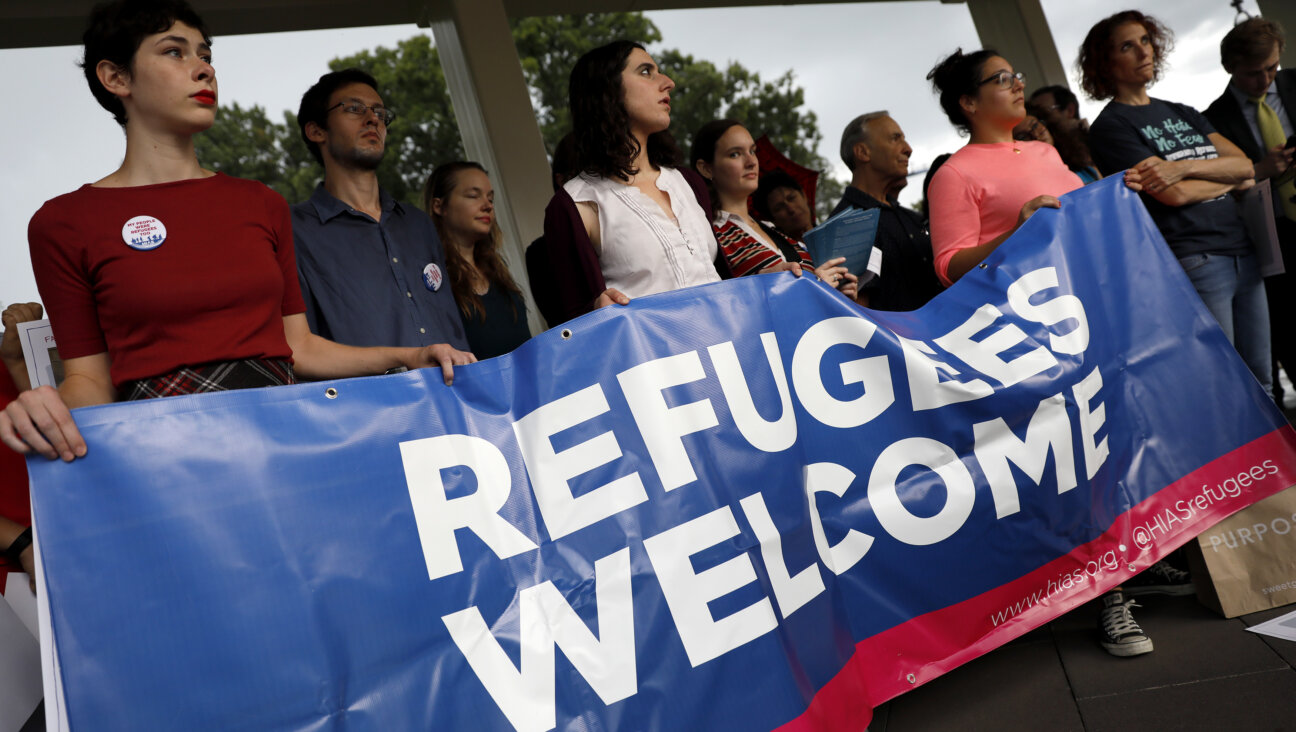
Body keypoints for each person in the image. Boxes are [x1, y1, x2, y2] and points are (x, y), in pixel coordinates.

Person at [0, 0, 467, 463]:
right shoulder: (62, 223)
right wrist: (43, 407)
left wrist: (409, 356)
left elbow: (299, 348)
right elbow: (90, 380)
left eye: (205, 56)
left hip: (289, 444)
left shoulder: (261, 203)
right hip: (164, 463)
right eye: (174, 52)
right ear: (116, 78)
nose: (203, 70)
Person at [1083, 11, 1270, 398]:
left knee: (1263, 381)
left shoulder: (1181, 111)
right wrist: (1222, 179)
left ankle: (1276, 462)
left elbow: (1244, 165)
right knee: (1223, 385)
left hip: (1243, 250)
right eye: (1126, 46)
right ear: (1106, 63)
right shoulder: (1111, 126)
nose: (1143, 51)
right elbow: (1172, 196)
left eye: (1146, 40)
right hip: (1195, 259)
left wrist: (1180, 167)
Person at [291, 69, 476, 365]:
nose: (372, 119)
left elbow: (452, 328)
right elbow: (300, 352)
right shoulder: (293, 230)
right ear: (316, 131)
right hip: (370, 407)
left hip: (455, 397)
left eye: (379, 111)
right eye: (354, 109)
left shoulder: (417, 223)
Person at [541, 40, 729, 324]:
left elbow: (720, 278)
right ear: (607, 91)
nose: (668, 83)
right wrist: (595, 310)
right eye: (645, 72)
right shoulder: (576, 204)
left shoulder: (688, 182)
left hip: (733, 349)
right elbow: (571, 325)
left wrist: (764, 281)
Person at [924, 49, 1084, 286]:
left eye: (1016, 76)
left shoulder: (1046, 150)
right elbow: (948, 267)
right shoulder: (954, 174)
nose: (1018, 85)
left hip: (1087, 279)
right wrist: (1015, 235)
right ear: (969, 102)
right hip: (1038, 304)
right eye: (1003, 79)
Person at [1203, 16, 1295, 406]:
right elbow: (1221, 189)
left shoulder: (1294, 84)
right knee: (1287, 328)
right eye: (1254, 73)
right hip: (1273, 237)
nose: (1266, 80)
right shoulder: (1211, 119)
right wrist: (1261, 170)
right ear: (1230, 68)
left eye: (1272, 67)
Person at [689, 119, 856, 299]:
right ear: (706, 169)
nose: (751, 161)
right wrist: (815, 286)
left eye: (752, 151)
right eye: (735, 154)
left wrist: (837, 294)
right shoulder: (708, 235)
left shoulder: (775, 230)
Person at [831, 111, 944, 310]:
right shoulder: (845, 226)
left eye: (904, 139)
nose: (908, 149)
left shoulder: (912, 219)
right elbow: (856, 314)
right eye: (895, 138)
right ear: (863, 152)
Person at [423, 162, 530, 359]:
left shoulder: (497, 268)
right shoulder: (431, 278)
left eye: (490, 198)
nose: (487, 205)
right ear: (439, 206)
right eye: (473, 196)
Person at [752, 170, 814, 243]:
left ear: (804, 195)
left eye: (791, 198)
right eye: (779, 208)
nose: (791, 209)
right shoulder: (779, 252)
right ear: (772, 220)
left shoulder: (829, 234)